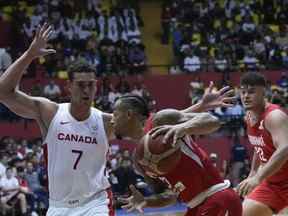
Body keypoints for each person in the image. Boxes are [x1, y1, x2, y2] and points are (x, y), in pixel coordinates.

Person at [0, 24, 115, 215]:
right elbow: (4, 92)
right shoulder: (50, 113)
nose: (86, 90)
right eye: (80, 85)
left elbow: (146, 133)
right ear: (69, 86)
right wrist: (29, 55)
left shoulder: (106, 121)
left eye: (90, 85)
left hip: (96, 203)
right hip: (59, 206)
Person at [112, 88, 242, 216]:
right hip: (194, 207)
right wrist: (146, 201)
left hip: (216, 196)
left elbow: (213, 121)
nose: (112, 120)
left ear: (129, 115)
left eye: (115, 114)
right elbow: (170, 197)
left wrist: (182, 128)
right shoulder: (138, 160)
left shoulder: (160, 120)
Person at [237, 72, 288, 216]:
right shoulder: (249, 117)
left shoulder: (274, 116)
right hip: (272, 183)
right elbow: (259, 147)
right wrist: (253, 173)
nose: (246, 96)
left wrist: (258, 178)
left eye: (251, 92)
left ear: (263, 92)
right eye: (243, 92)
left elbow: (285, 148)